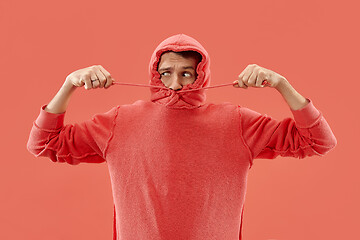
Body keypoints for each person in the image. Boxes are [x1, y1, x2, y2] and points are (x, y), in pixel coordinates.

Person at [27, 33, 337, 240]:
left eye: (187, 73)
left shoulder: (235, 121)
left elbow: (319, 141)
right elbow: (44, 143)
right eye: (166, 73)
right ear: (155, 73)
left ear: (201, 75)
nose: (175, 84)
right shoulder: (122, 120)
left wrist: (281, 84)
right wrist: (68, 85)